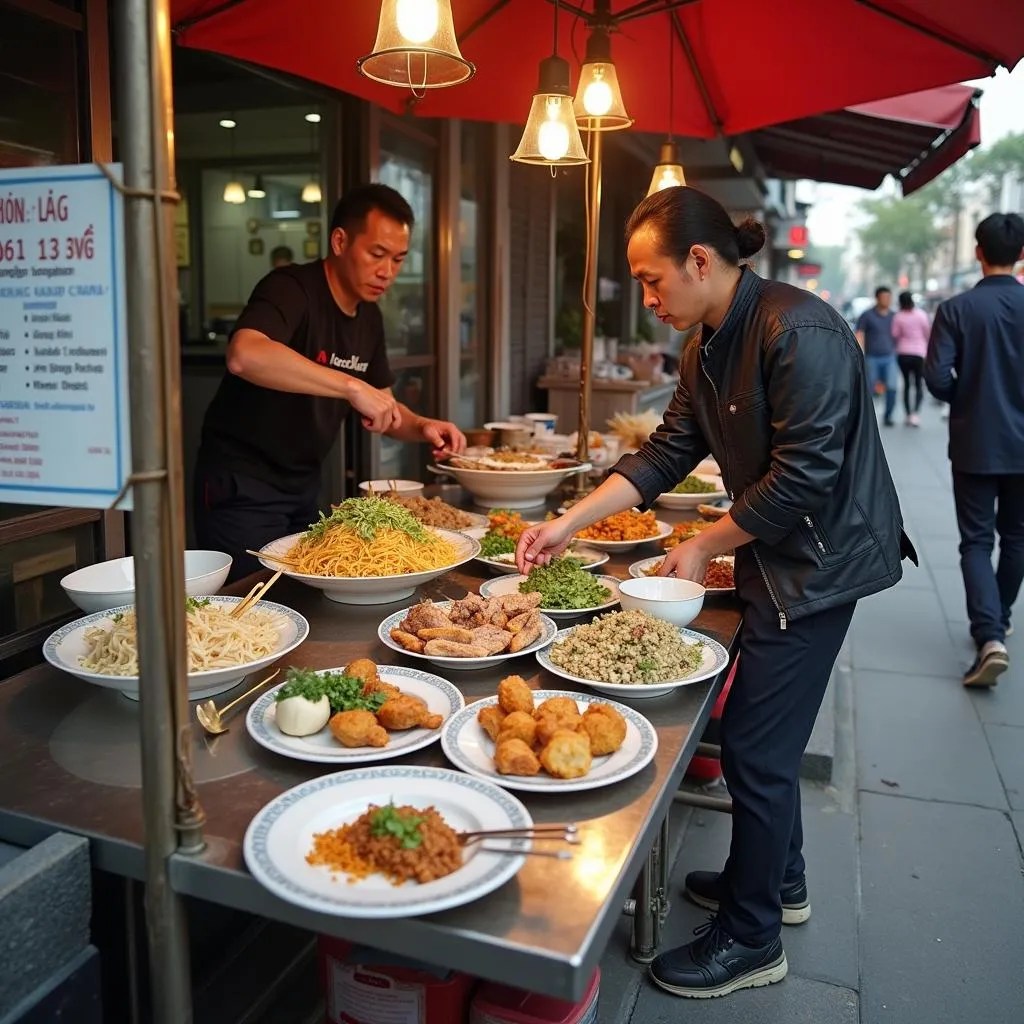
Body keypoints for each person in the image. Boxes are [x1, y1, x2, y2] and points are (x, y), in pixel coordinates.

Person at [516, 186, 914, 1000]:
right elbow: (665, 454)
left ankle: (752, 936)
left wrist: (702, 543)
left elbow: (806, 474)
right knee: (765, 738)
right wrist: (570, 520)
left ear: (700, 260)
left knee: (760, 750)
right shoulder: (704, 346)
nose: (648, 298)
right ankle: (778, 881)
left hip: (821, 565)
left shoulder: (798, 329)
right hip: (775, 556)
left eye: (653, 280)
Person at [194, 183, 466, 581]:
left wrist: (422, 426)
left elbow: (385, 406)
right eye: (377, 254)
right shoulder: (291, 288)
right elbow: (245, 355)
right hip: (241, 487)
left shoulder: (368, 317)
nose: (387, 271)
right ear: (340, 241)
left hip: (304, 488)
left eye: (398, 259)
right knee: (250, 607)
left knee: (300, 602)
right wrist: (351, 387)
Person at [924, 212, 1024, 686]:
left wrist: (971, 400)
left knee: (977, 540)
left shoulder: (957, 309)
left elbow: (937, 377)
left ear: (978, 252)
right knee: (1018, 538)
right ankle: (996, 624)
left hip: (976, 442)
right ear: (1022, 254)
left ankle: (989, 633)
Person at [856, 286, 898, 426]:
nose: (887, 300)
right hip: (872, 357)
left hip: (890, 357)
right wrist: (860, 351)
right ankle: (868, 419)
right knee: (871, 389)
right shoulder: (867, 315)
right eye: (884, 297)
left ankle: (888, 416)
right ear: (877, 298)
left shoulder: (894, 316)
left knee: (891, 387)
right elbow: (860, 333)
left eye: (888, 297)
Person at [892, 290, 930, 426]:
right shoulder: (921, 315)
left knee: (907, 384)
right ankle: (915, 413)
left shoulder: (898, 316)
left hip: (903, 353)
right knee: (919, 384)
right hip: (919, 353)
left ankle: (908, 414)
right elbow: (927, 333)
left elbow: (895, 334)